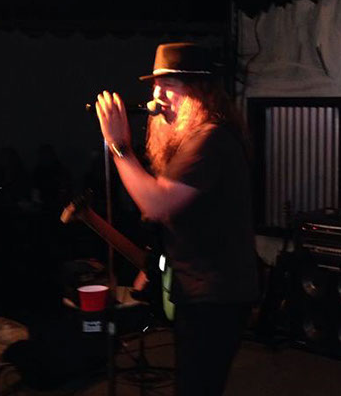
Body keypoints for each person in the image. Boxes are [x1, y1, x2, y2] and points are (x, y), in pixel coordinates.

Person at [94, 42, 259, 395]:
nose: (157, 97)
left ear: (198, 91)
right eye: (155, 87)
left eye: (169, 86)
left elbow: (158, 204)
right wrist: (152, 266)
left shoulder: (210, 139)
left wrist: (120, 147)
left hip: (217, 295)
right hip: (195, 290)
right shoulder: (189, 141)